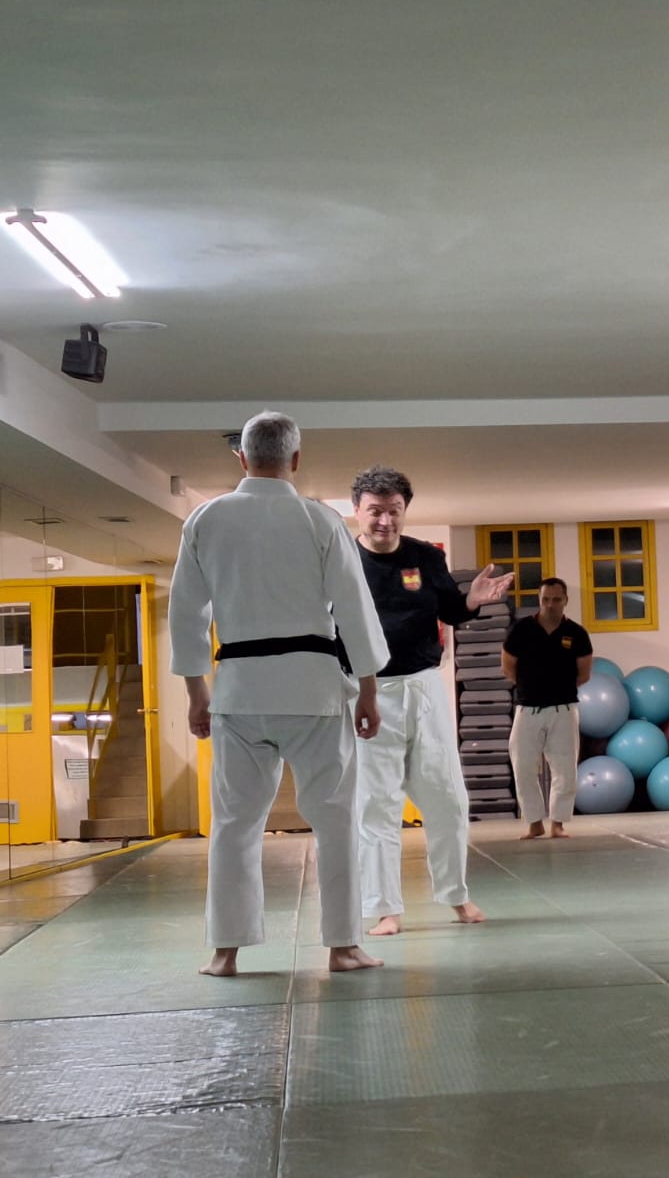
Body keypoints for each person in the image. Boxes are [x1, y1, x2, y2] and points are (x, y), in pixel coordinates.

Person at [169, 411, 389, 978]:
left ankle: (226, 952)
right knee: (335, 818)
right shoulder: (320, 520)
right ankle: (343, 946)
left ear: (241, 458)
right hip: (314, 689)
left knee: (235, 822)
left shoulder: (206, 519)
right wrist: (367, 690)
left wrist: (198, 691)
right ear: (295, 459)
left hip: (239, 691)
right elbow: (355, 610)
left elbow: (187, 613)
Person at [349, 465, 514, 935]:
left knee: (447, 798)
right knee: (375, 804)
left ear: (405, 511)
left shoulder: (425, 556)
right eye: (375, 511)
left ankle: (455, 895)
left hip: (423, 686)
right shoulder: (341, 559)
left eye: (394, 510)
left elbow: (449, 610)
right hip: (366, 691)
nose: (385, 521)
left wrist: (471, 602)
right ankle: (385, 908)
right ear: (357, 511)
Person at [501, 578, 593, 840]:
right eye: (545, 599)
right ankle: (533, 823)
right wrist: (531, 686)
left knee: (565, 768)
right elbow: (508, 666)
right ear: (539, 600)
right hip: (527, 709)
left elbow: (584, 673)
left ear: (565, 600)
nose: (550, 604)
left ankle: (558, 823)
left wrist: (557, 689)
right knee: (523, 766)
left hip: (563, 709)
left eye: (556, 599)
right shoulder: (522, 630)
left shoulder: (576, 633)